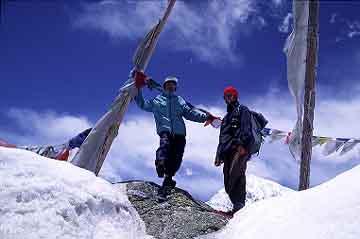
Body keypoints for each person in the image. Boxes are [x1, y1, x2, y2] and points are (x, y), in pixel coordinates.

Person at [133, 70, 217, 199]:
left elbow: (190, 113)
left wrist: (206, 117)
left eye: (173, 85)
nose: (171, 87)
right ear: (165, 86)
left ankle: (168, 180)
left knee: (176, 158)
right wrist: (137, 90)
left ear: (175, 87)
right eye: (168, 85)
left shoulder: (180, 100)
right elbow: (143, 105)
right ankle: (160, 163)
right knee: (164, 146)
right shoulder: (158, 99)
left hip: (179, 134)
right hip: (165, 130)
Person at [215, 86, 253, 215]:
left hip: (240, 148)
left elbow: (246, 128)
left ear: (235, 96)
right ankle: (236, 207)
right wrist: (218, 155)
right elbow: (222, 137)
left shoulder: (243, 110)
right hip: (227, 152)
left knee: (236, 174)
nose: (228, 98)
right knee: (227, 180)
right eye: (226, 96)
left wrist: (242, 145)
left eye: (230, 95)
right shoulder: (226, 118)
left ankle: (239, 206)